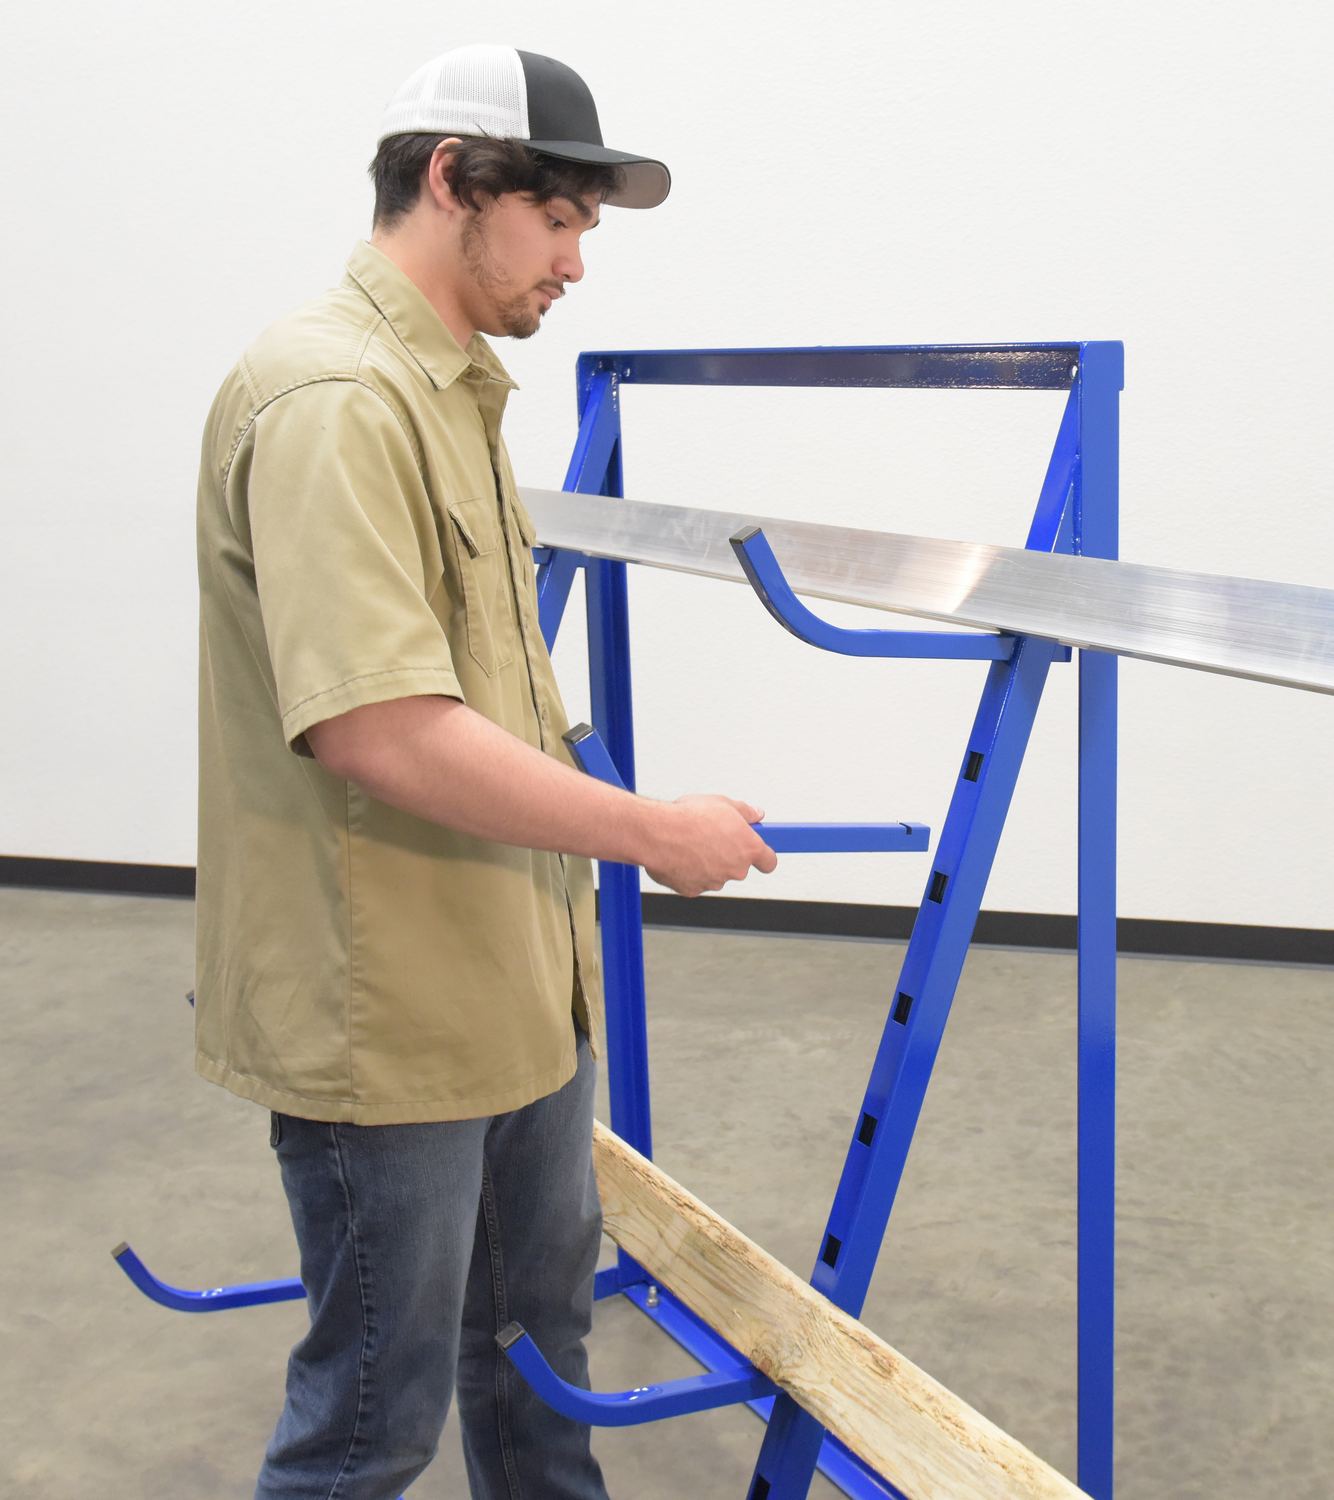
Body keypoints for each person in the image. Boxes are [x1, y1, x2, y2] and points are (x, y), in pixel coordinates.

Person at [193, 42, 777, 1500]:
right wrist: (651, 830)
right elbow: (380, 728)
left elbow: (489, 688)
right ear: (454, 180)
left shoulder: (447, 391)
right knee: (369, 1425)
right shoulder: (335, 396)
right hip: (390, 1015)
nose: (577, 263)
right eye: (559, 220)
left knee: (534, 1358)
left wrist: (611, 818)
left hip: (516, 987)